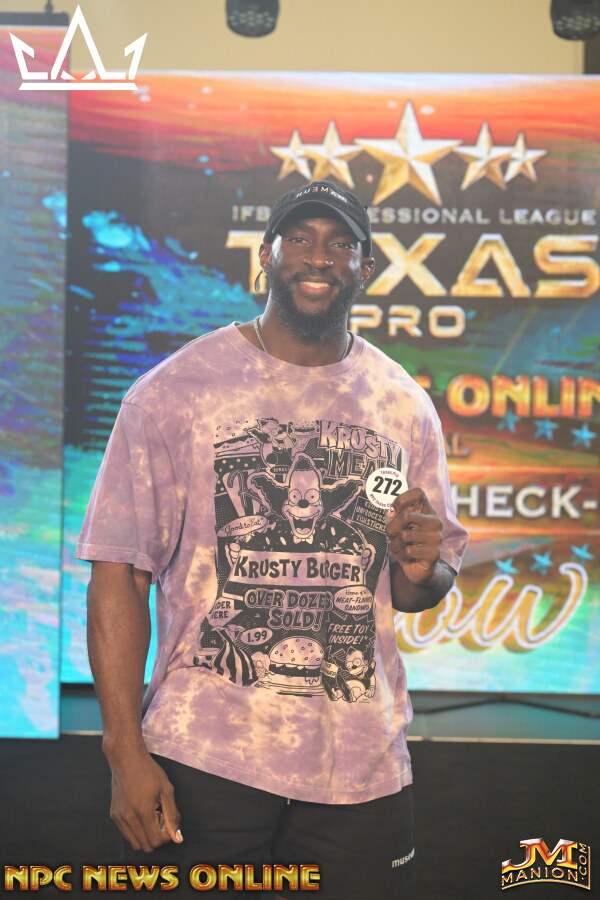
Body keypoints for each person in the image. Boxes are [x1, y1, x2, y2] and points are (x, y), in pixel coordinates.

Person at [77, 179, 468, 898]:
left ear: (365, 267)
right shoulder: (174, 392)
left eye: (341, 244)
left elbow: (422, 586)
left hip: (360, 765)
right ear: (265, 255)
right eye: (300, 238)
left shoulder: (402, 404)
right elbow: (119, 575)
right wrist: (123, 750)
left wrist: (422, 568)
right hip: (204, 757)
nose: (318, 257)